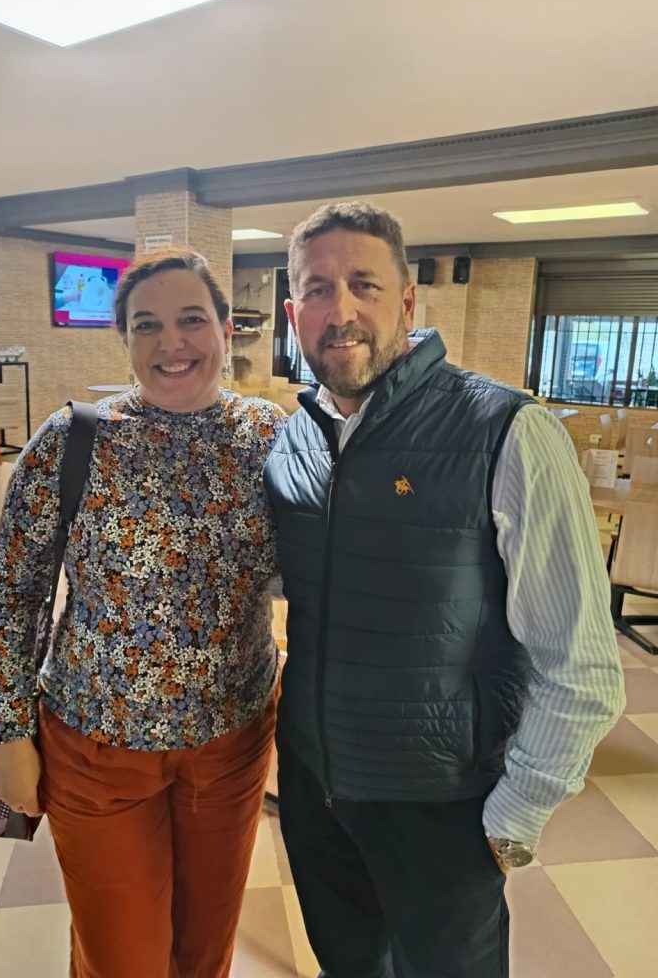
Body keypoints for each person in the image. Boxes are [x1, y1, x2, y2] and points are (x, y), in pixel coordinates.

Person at [263, 201, 626, 978]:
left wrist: (518, 814)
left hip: (443, 806)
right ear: (294, 316)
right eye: (318, 290)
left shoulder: (506, 431)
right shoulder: (292, 441)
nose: (341, 310)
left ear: (406, 302)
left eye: (364, 285)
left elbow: (581, 664)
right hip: (316, 791)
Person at [0, 248, 287, 978]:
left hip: (230, 743)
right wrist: (9, 733)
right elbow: (14, 595)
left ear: (226, 329)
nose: (170, 342)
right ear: (124, 338)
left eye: (191, 319)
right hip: (97, 746)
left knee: (204, 950)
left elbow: (307, 576)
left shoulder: (270, 436)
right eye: (147, 324)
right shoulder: (73, 441)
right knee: (122, 959)